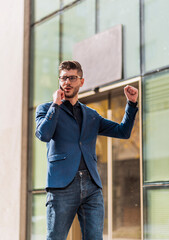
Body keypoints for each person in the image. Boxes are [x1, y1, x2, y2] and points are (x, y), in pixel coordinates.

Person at [35, 60, 138, 240]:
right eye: (64, 78)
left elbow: (123, 132)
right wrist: (55, 105)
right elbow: (43, 134)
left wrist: (131, 104)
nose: (67, 82)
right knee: (55, 237)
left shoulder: (91, 115)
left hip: (91, 186)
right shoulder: (47, 109)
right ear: (59, 81)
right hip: (62, 186)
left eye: (72, 78)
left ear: (81, 82)